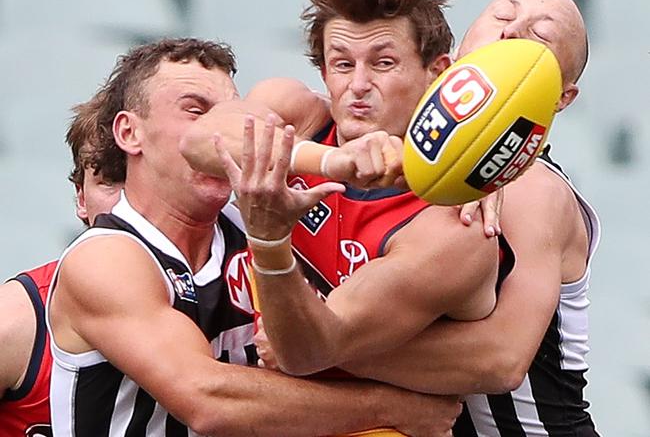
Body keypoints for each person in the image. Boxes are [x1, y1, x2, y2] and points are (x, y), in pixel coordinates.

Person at [218, 0, 600, 436]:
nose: (512, 32)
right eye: (503, 15)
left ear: (561, 97)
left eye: (539, 34)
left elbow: (501, 361)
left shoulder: (532, 187)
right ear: (458, 51)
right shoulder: (393, 144)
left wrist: (319, 348)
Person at [45, 37, 462, 437]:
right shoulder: (106, 257)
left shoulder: (260, 218)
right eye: (196, 113)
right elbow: (208, 400)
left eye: (230, 116)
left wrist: (480, 183)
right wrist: (387, 408)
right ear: (129, 133)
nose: (223, 133)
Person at [0, 99, 123, 437]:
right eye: (111, 182)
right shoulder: (14, 324)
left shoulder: (233, 315)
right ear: (81, 198)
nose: (128, 205)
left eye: (147, 183)